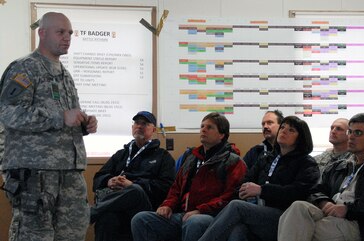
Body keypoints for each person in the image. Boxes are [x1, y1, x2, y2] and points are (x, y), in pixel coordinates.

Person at [0, 12, 98, 241]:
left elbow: (68, 119)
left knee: (73, 233)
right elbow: (7, 113)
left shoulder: (65, 75)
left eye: (70, 33)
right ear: (42, 33)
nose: (67, 37)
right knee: (34, 235)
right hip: (36, 174)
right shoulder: (25, 68)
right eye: (60, 32)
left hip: (69, 172)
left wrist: (84, 124)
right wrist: (59, 117)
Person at [278, 113, 364, 241]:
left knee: (299, 228)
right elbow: (315, 190)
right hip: (330, 213)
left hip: (361, 223)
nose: (350, 137)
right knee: (298, 207)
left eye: (358, 133)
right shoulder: (338, 166)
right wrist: (324, 202)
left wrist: (348, 210)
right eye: (350, 132)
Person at [198, 116, 320, 241]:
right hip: (258, 211)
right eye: (282, 127)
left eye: (291, 130)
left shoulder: (307, 163)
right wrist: (244, 191)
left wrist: (262, 190)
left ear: (301, 138)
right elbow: (245, 181)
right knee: (238, 230)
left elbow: (297, 193)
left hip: (285, 216)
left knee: (237, 207)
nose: (284, 131)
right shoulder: (266, 158)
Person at [131, 112, 247, 241]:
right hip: (183, 214)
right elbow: (176, 187)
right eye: (202, 126)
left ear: (222, 134)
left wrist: (200, 210)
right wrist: (168, 205)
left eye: (209, 127)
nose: (203, 130)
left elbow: (230, 197)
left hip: (213, 216)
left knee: (195, 222)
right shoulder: (191, 158)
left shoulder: (233, 161)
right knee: (141, 219)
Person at [91, 111, 175, 241]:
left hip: (145, 205)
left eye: (145, 124)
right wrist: (109, 181)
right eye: (137, 123)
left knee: (134, 189)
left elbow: (166, 187)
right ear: (132, 127)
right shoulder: (121, 154)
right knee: (107, 218)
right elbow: (97, 178)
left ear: (153, 129)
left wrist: (133, 184)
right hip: (117, 205)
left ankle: (90, 213)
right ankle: (98, 211)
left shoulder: (163, 157)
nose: (139, 126)